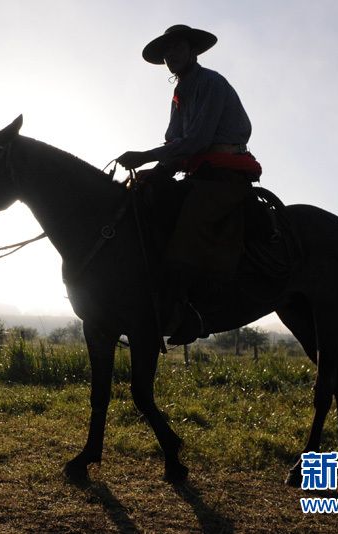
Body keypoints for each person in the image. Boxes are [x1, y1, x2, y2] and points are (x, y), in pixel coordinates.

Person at [116, 25, 262, 345]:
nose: (171, 55)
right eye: (167, 52)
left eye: (177, 48)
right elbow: (176, 143)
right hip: (199, 172)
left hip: (226, 175)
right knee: (148, 198)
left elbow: (196, 141)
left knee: (190, 219)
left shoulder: (211, 83)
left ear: (192, 51)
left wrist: (145, 157)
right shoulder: (180, 94)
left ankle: (191, 309)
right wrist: (154, 173)